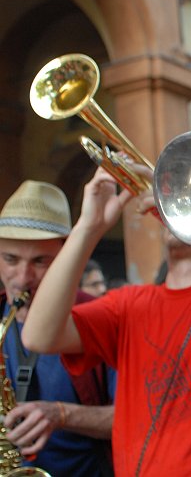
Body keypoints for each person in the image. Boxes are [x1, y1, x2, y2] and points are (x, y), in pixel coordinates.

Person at [21, 167, 191, 476]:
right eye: (184, 201)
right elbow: (38, 337)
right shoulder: (128, 303)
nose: (184, 205)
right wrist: (88, 228)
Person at [0, 180, 114, 476]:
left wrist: (61, 414)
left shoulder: (101, 316)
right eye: (10, 259)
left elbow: (134, 416)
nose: (22, 278)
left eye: (40, 261)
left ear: (67, 257)